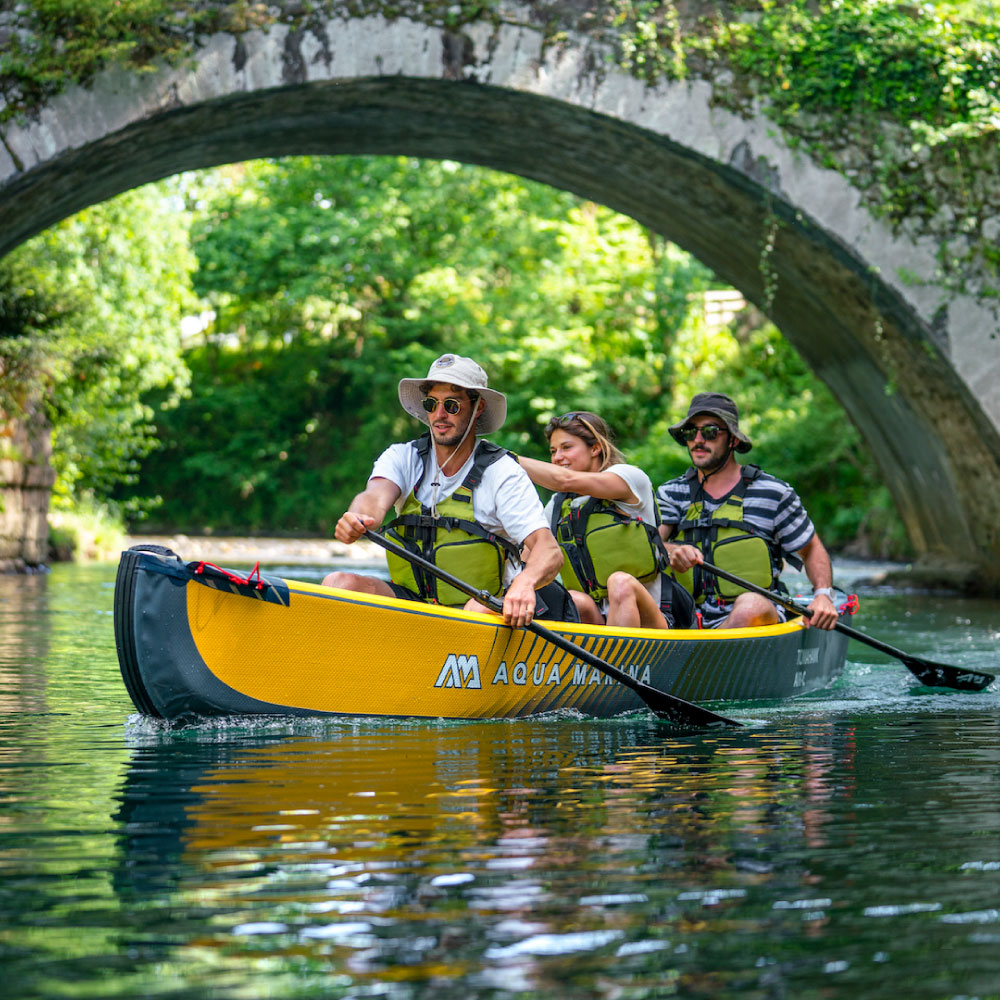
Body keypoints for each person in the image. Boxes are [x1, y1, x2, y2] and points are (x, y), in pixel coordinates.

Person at [323, 353, 568, 629]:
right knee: (338, 584)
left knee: (476, 609)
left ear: (477, 408)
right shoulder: (403, 457)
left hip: (485, 607)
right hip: (417, 606)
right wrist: (357, 517)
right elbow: (372, 498)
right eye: (431, 404)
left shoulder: (502, 472)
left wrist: (524, 584)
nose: (439, 415)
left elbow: (549, 552)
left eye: (451, 405)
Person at [656, 392, 839, 630]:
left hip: (754, 616)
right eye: (691, 432)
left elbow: (811, 548)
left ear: (732, 440)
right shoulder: (671, 492)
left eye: (710, 432)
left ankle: (703, 659)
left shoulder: (773, 492)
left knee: (750, 606)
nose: (698, 440)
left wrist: (823, 595)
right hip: (684, 617)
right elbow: (651, 544)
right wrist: (673, 550)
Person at [515, 411, 671, 630]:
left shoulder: (629, 478)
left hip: (651, 623)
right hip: (597, 623)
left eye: (567, 447)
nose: (557, 457)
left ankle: (617, 661)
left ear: (595, 448)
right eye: (553, 451)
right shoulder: (559, 505)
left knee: (620, 582)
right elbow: (526, 559)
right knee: (574, 599)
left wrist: (507, 460)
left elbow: (564, 480)